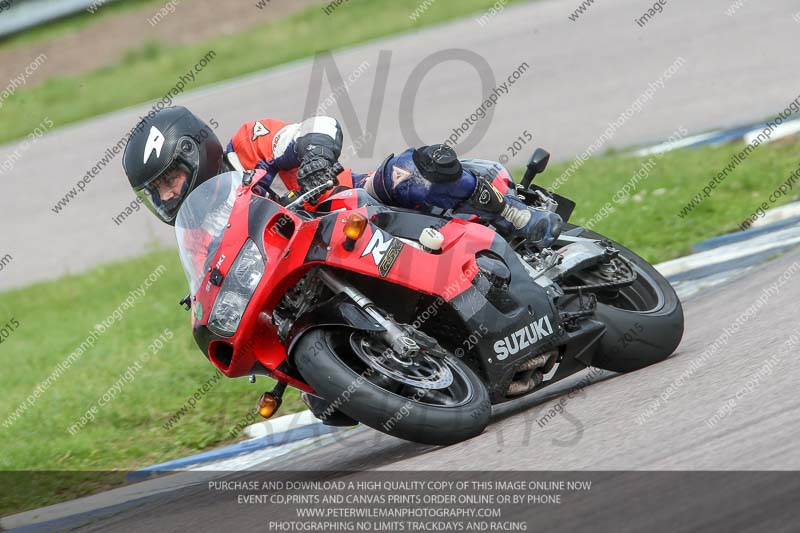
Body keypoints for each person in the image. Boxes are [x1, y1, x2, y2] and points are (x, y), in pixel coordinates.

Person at [122, 106, 563, 426]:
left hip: (353, 210)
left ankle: (516, 215)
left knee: (408, 174)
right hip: (309, 286)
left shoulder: (245, 146)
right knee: (329, 407)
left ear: (194, 152)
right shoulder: (197, 236)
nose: (165, 196)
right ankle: (427, 363)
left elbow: (317, 126)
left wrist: (313, 156)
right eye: (154, 191)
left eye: (169, 180)